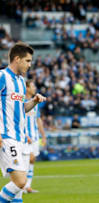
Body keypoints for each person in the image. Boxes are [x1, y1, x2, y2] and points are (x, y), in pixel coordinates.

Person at [0, 42, 46, 202]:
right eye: (27, 61)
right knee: (21, 181)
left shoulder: (20, 82)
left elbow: (21, 109)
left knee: (19, 188)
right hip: (6, 137)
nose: (30, 64)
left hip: (20, 138)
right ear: (17, 59)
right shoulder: (2, 77)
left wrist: (33, 101)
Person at [23, 80, 47, 193]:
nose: (34, 88)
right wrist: (24, 134)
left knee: (32, 160)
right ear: (27, 88)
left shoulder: (36, 103)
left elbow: (38, 120)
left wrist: (43, 135)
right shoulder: (21, 102)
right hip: (24, 137)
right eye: (32, 86)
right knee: (29, 158)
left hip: (35, 136)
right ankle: (21, 185)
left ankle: (27, 186)